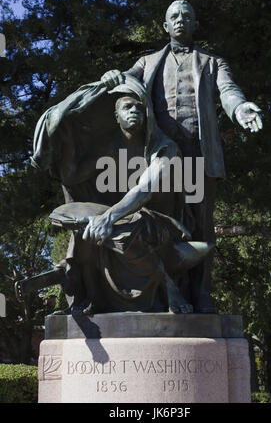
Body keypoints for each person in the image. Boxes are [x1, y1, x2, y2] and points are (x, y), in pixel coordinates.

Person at [101, 0, 263, 313]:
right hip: (157, 156)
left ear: (195, 24)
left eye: (187, 15)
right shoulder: (147, 62)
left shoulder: (212, 62)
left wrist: (241, 108)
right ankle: (158, 291)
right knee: (151, 221)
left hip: (197, 156)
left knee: (200, 227)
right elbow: (124, 82)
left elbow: (228, 91)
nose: (180, 20)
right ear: (164, 26)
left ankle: (201, 294)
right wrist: (113, 76)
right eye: (174, 16)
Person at [30, 74, 213, 314]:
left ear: (148, 113)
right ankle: (81, 289)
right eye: (127, 107)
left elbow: (144, 190)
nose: (134, 111)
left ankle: (168, 285)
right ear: (116, 117)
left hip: (158, 222)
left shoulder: (165, 148)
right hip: (115, 220)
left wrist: (108, 217)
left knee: (131, 226)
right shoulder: (110, 147)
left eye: (140, 107)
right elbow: (73, 177)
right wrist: (68, 138)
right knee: (86, 230)